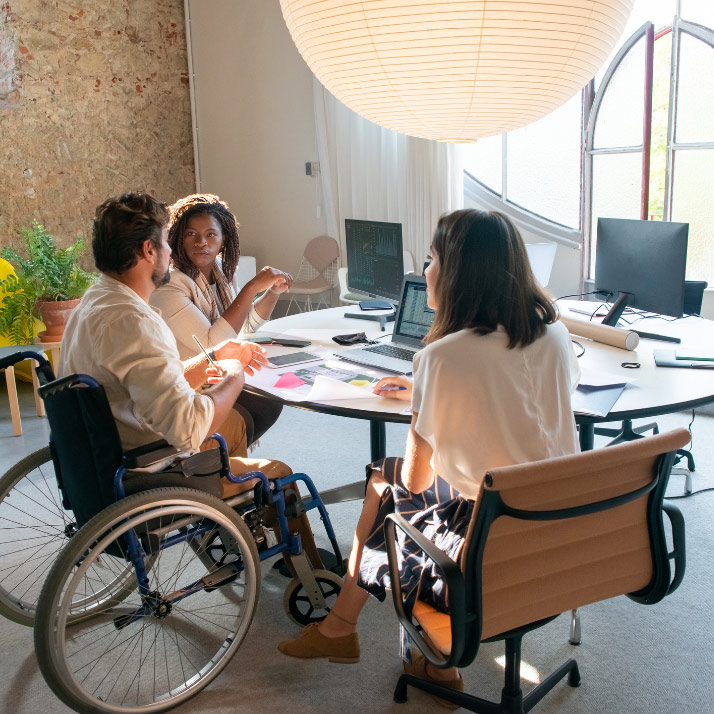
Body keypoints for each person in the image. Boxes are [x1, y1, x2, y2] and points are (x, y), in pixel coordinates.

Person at [277, 209, 580, 701]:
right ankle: (371, 640)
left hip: (487, 543)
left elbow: (417, 482)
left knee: (387, 484)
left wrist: (428, 396)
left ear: (460, 273)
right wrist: (432, 393)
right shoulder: (556, 335)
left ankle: (345, 630)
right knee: (390, 480)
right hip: (559, 526)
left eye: (432, 259)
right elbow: (523, 403)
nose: (424, 272)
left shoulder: (441, 358)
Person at [59, 192, 321, 565]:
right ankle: (310, 577)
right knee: (281, 474)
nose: (172, 251)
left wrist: (212, 357)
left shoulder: (96, 301)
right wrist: (232, 373)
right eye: (168, 241)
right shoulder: (137, 321)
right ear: (150, 251)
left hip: (101, 454)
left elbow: (146, 380)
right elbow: (187, 428)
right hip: (153, 467)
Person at [150, 193, 292, 447]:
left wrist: (272, 292)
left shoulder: (220, 273)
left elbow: (242, 326)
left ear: (224, 239)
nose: (201, 242)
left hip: (215, 375)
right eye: (191, 234)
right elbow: (213, 343)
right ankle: (213, 455)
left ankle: (224, 455)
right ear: (178, 237)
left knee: (271, 392)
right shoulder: (170, 285)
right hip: (187, 387)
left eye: (210, 235)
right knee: (260, 398)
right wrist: (251, 288)